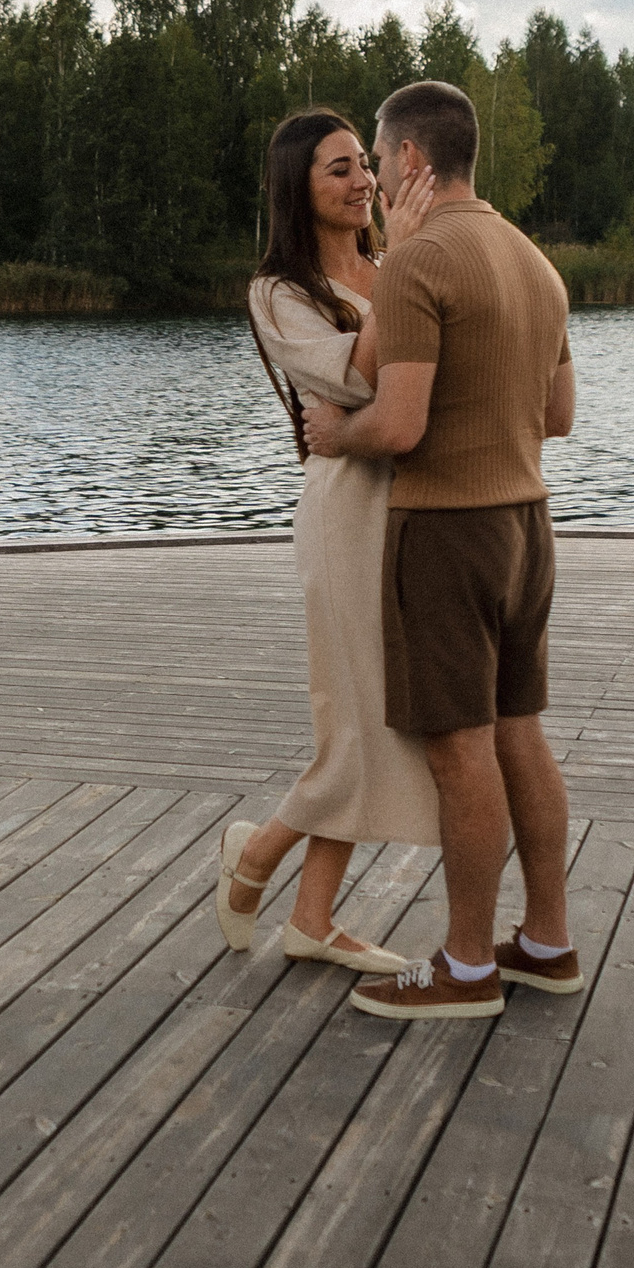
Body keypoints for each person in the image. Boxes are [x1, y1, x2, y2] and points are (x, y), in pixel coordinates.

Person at [301, 79, 580, 1021]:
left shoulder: (420, 261)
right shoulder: (533, 260)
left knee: (461, 754)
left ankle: (465, 965)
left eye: (378, 159)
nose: (377, 177)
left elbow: (403, 422)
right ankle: (546, 941)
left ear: (413, 158)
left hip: (448, 531)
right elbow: (559, 415)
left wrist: (339, 435)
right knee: (520, 735)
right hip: (528, 526)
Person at [216, 109, 438, 974]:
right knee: (352, 722)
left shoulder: (390, 268)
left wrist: (404, 264)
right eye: (337, 169)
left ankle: (308, 914)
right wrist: (408, 266)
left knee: (374, 718)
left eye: (362, 165)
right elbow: (352, 375)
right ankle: (259, 855)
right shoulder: (277, 292)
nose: (360, 181)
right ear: (297, 188)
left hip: (412, 505)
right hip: (345, 511)